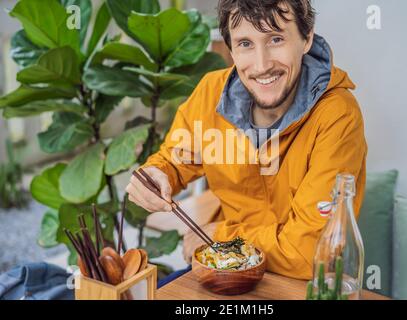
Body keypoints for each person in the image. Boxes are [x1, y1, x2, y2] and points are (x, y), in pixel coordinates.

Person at [126, 0, 367, 280]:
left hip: (297, 286)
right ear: (230, 49)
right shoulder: (210, 93)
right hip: (225, 273)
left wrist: (219, 236)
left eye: (276, 39)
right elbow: (176, 159)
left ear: (306, 39)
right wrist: (158, 173)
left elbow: (309, 251)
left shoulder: (338, 115)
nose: (262, 65)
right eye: (245, 44)